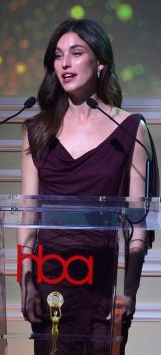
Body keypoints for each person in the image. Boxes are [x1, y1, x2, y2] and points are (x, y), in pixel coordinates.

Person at [18, 19, 158, 354]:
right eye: (58, 55)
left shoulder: (129, 128)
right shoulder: (37, 130)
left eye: (76, 53)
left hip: (103, 288)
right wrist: (25, 279)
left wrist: (129, 292)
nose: (64, 63)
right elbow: (27, 216)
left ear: (101, 63)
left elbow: (139, 226)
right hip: (50, 280)